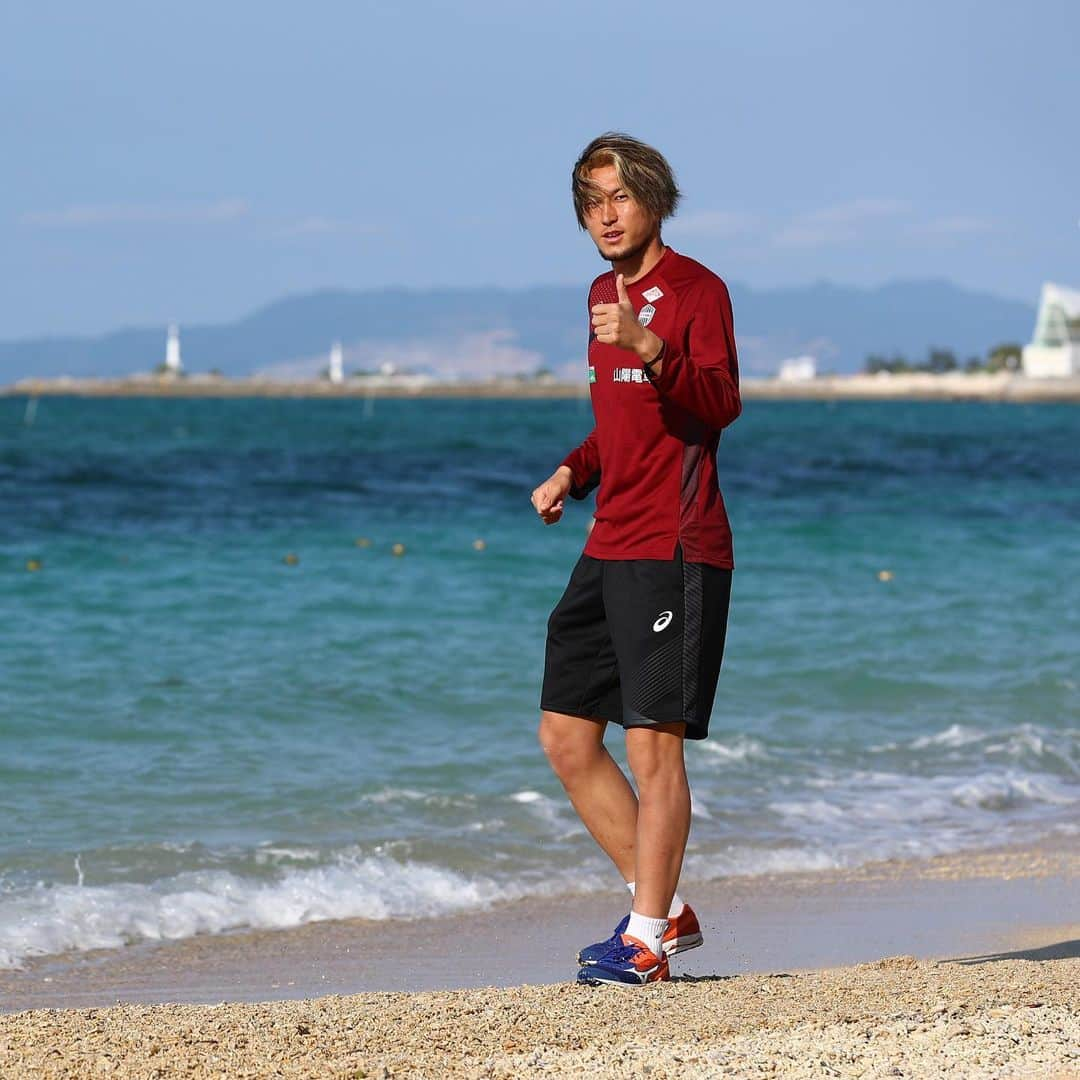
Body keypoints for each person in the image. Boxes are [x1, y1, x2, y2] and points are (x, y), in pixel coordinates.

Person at [531, 132, 741, 987]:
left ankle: (648, 938)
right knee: (566, 738)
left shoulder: (698, 290)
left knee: (656, 751)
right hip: (608, 541)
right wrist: (574, 469)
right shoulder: (597, 293)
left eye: (618, 196)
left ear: (653, 197)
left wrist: (653, 347)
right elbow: (625, 427)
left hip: (677, 547)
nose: (605, 216)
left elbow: (718, 402)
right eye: (591, 201)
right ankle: (660, 906)